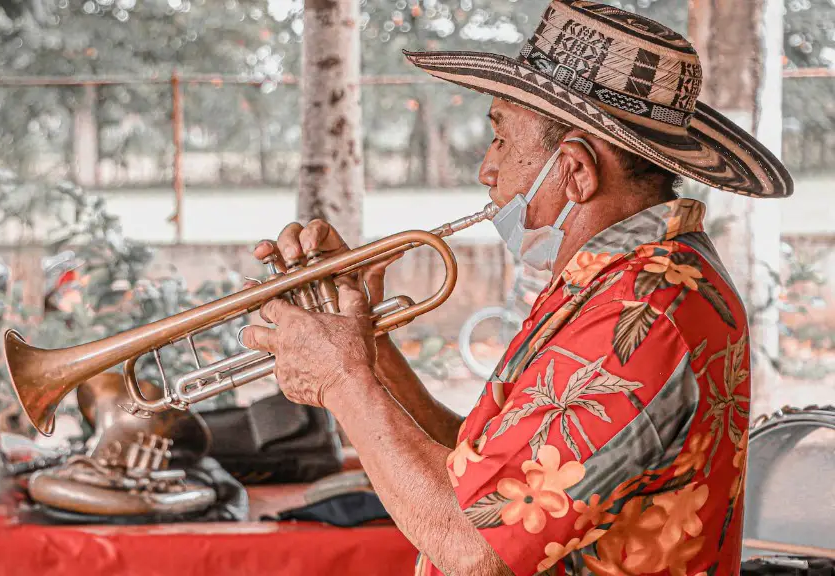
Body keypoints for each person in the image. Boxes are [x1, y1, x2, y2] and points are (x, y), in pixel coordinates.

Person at [240, 1, 793, 574]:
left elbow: (477, 547)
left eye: (501, 139)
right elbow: (489, 480)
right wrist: (367, 347)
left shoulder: (646, 310)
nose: (487, 169)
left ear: (576, 170)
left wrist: (342, 379)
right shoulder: (620, 280)